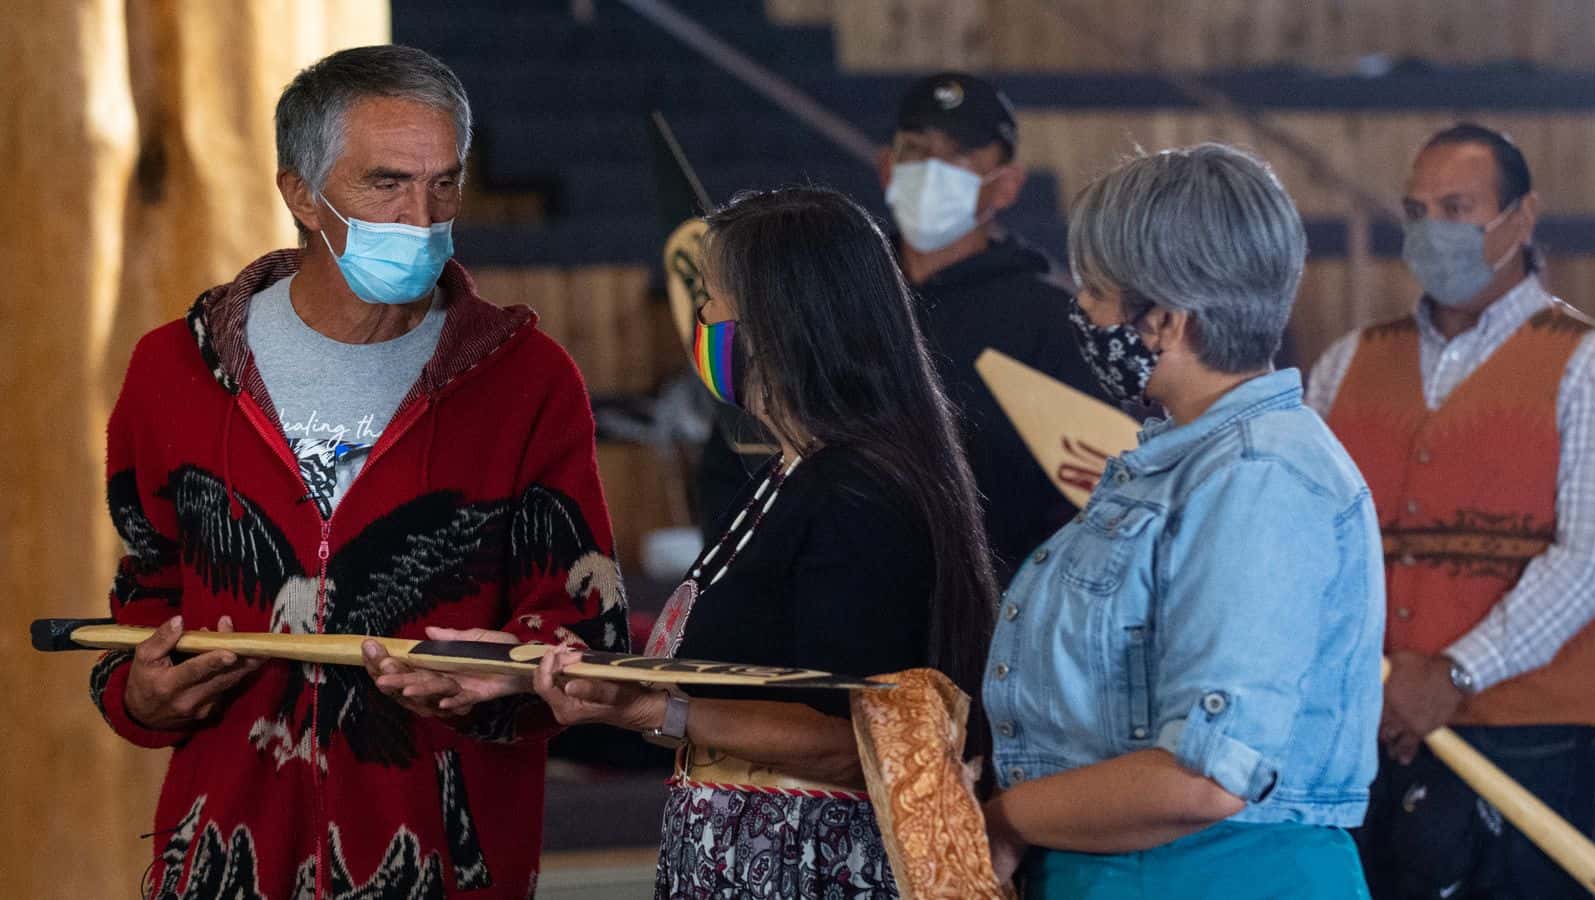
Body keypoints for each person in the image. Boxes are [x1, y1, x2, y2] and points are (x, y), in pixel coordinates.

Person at [92, 45, 626, 897]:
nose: (422, 217)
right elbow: (143, 598)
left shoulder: (529, 379)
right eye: (386, 184)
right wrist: (139, 695)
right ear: (300, 194)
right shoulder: (172, 372)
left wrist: (507, 677)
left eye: (444, 183)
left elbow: (589, 632)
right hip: (225, 861)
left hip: (446, 867)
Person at [428, 186, 1000, 899]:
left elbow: (854, 736)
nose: (699, 319)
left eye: (713, 297)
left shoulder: (857, 492)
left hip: (810, 868)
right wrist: (522, 676)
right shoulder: (788, 475)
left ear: (784, 318)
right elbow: (718, 698)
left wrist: (651, 708)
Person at [981, 144, 1385, 899]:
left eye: (1095, 292)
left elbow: (1205, 777)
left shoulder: (1258, 477)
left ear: (1163, 321)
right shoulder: (1190, 460)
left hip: (1215, 876)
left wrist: (1007, 819)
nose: (1082, 313)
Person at [1307, 123, 1595, 900]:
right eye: (1416, 208)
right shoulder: (1344, 364)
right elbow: (1310, 545)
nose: (1431, 229)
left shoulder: (1586, 362)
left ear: (1522, 218)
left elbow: (1588, 561)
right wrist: (1380, 682)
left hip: (1529, 742)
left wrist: (1456, 672)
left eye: (1457, 206)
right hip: (1365, 738)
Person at [880, 71, 1107, 583]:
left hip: (996, 604)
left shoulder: (1053, 320)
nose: (932, 169)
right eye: (916, 149)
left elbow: (1092, 482)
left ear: (1006, 184)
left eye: (957, 154)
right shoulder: (846, 294)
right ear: (887, 169)